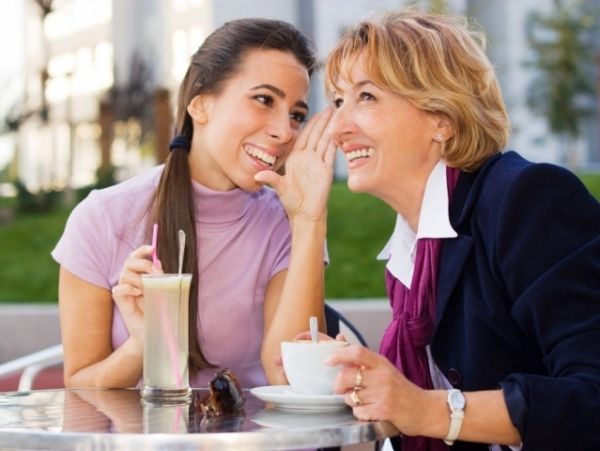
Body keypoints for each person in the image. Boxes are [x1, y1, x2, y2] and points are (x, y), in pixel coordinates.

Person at [319, 9, 600, 451]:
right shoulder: (413, 254)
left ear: (442, 117)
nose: (337, 127)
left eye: (366, 96)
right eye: (338, 101)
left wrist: (424, 409)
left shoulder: (526, 200)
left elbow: (591, 397)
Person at [52, 18, 336, 390]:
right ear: (200, 105)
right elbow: (79, 385)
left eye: (296, 115)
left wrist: (310, 221)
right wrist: (141, 345)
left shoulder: (289, 221)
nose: (284, 132)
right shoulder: (102, 219)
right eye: (264, 100)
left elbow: (291, 378)